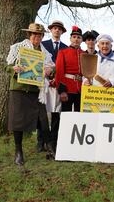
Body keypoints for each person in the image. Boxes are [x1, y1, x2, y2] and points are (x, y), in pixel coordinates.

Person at [5, 23, 55, 165]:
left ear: (42, 36)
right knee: (18, 122)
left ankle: (51, 149)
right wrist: (15, 69)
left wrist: (50, 71)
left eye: (39, 35)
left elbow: (52, 69)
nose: (36, 37)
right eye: (34, 34)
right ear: (29, 35)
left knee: (44, 120)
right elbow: (7, 66)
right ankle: (18, 151)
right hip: (20, 89)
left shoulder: (45, 53)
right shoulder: (18, 48)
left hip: (37, 91)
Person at [40, 20, 68, 153]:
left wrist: (57, 80)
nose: (57, 30)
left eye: (59, 29)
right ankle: (41, 141)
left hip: (58, 85)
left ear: (62, 32)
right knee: (42, 113)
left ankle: (54, 140)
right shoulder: (43, 45)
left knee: (56, 112)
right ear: (51, 30)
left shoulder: (65, 47)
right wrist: (47, 77)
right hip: (44, 83)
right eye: (54, 28)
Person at [55, 26, 84, 112]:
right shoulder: (63, 52)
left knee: (80, 116)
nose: (76, 39)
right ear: (70, 38)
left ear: (82, 40)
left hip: (82, 88)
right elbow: (59, 72)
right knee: (66, 115)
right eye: (74, 37)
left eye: (79, 37)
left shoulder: (85, 54)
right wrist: (62, 91)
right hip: (67, 88)